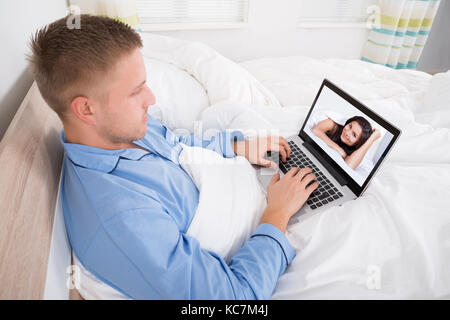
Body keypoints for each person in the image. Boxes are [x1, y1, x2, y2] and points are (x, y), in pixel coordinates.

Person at [27, 14, 318, 299]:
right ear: (86, 110)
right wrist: (277, 214)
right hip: (272, 225)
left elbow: (177, 144)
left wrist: (237, 147)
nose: (151, 99)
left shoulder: (124, 129)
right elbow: (232, 297)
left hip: (260, 191)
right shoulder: (123, 220)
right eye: (135, 91)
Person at [312, 116, 381, 169]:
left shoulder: (353, 151)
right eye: (350, 126)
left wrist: (372, 138)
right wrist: (339, 149)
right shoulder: (334, 125)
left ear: (358, 143)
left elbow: (350, 165)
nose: (347, 133)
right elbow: (316, 130)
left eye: (354, 135)